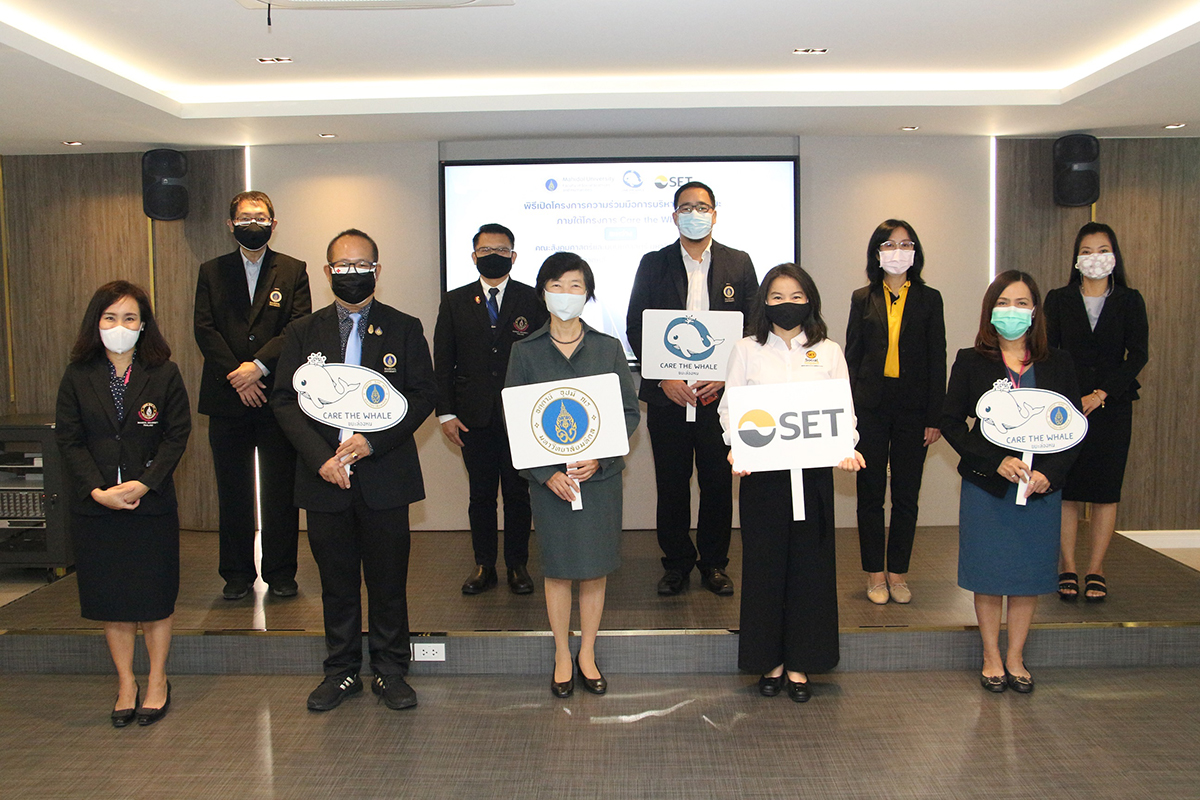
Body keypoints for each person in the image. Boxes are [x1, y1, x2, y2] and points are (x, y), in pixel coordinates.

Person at [273, 229, 436, 712]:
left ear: (377, 271)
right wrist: (320, 458)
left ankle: (390, 669)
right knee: (336, 583)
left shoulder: (404, 327)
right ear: (327, 272)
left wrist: (373, 442)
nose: (352, 273)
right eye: (342, 266)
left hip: (385, 476)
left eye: (361, 265)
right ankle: (341, 670)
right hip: (325, 478)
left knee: (389, 583)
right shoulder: (303, 331)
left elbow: (422, 395)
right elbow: (285, 400)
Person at [720, 264, 865, 703]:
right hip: (762, 477)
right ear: (764, 302)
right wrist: (736, 447)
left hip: (813, 478)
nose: (788, 304)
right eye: (778, 296)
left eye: (797, 296)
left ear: (811, 301)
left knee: (810, 570)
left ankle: (802, 662)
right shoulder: (746, 349)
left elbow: (843, 409)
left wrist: (847, 446)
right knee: (764, 569)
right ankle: (769, 661)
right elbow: (730, 407)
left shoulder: (829, 350)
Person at [55, 281, 191, 726]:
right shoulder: (78, 375)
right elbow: (69, 440)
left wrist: (145, 484)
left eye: (130, 317)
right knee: (111, 599)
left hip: (149, 505)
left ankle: (156, 680)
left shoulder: (164, 372)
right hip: (97, 508)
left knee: (154, 598)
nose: (120, 325)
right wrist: (97, 489)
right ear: (96, 323)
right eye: (110, 317)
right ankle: (125, 683)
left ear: (143, 324)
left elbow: (177, 435)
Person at [506, 252, 640, 698]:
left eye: (576, 286)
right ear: (543, 292)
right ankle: (562, 653)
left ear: (588, 294)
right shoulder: (525, 351)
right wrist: (545, 473)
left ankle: (588, 653)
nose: (566, 294)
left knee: (595, 569)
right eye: (557, 285)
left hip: (599, 480)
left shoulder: (608, 348)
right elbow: (516, 419)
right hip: (551, 484)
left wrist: (600, 458)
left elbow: (627, 412)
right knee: (559, 569)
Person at [941, 271, 1081, 693]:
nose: (1012, 311)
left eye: (1021, 303)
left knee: (1026, 576)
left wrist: (1049, 474)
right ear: (990, 310)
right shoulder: (971, 360)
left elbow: (1073, 428)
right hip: (989, 488)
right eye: (1003, 303)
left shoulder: (1059, 362)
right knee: (989, 573)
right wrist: (995, 461)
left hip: (1038, 489)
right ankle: (991, 655)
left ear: (1035, 311)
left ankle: (1016, 656)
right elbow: (951, 422)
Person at [626, 180, 759, 596]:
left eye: (702, 207)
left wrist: (728, 375)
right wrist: (661, 376)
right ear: (674, 216)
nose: (694, 214)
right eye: (686, 207)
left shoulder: (739, 263)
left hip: (719, 399)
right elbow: (636, 324)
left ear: (714, 214)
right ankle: (676, 564)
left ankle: (714, 564)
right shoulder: (654, 263)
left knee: (718, 484)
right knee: (672, 484)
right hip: (668, 397)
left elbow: (754, 326)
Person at [194, 190, 311, 601]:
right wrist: (238, 376)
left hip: (276, 398)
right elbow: (204, 329)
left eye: (260, 217)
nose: (253, 224)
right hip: (227, 399)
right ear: (231, 225)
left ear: (273, 224)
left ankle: (281, 573)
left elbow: (298, 327)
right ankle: (236, 574)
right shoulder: (211, 271)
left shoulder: (294, 270)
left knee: (280, 492)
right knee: (233, 491)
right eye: (244, 218)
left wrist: (258, 367)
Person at [434, 223, 547, 596]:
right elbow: (443, 360)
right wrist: (446, 413)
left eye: (501, 250)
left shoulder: (533, 299)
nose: (493, 255)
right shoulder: (454, 301)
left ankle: (517, 565)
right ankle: (484, 565)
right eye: (485, 250)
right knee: (480, 495)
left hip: (522, 416)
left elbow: (545, 356)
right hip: (472, 417)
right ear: (473, 256)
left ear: (513, 256)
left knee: (517, 494)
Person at [1045, 223, 1149, 602]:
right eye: (1087, 251)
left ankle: (1096, 568)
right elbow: (1048, 352)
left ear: (1114, 255)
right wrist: (1072, 397)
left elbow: (1138, 355)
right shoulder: (1058, 299)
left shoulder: (1130, 300)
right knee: (1068, 489)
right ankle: (1068, 565)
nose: (1095, 258)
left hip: (1112, 406)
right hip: (1066, 409)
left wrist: (1102, 393)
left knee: (1105, 490)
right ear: (1076, 258)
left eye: (1102, 250)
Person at [845, 220, 946, 605]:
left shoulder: (929, 298)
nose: (897, 251)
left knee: (906, 496)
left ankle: (898, 574)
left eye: (905, 244)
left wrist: (934, 416)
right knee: (870, 495)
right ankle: (875, 574)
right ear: (877, 252)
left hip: (913, 410)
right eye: (889, 244)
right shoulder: (862, 297)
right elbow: (852, 357)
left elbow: (938, 358)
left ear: (915, 252)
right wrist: (848, 411)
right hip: (870, 407)